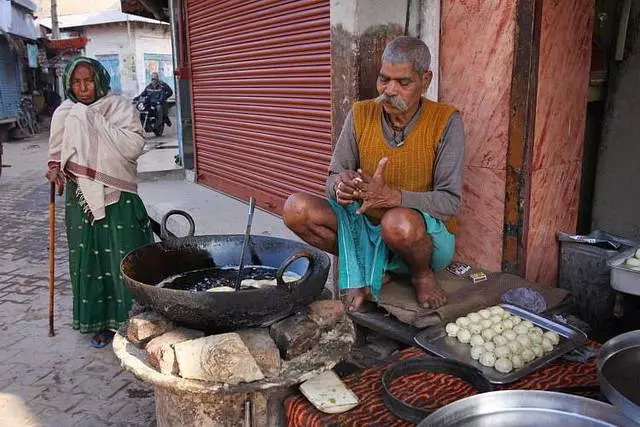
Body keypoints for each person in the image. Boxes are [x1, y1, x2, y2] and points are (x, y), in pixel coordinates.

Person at [283, 37, 464, 312]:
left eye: (403, 83)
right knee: (296, 209)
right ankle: (369, 266)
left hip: (418, 235)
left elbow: (450, 202)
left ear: (425, 81)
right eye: (384, 79)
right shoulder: (361, 113)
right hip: (365, 224)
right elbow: (332, 178)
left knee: (397, 221)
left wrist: (393, 197)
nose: (389, 90)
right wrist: (340, 187)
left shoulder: (446, 121)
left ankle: (421, 274)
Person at [45, 57, 154, 348]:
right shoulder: (65, 113)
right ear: (69, 84)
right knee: (90, 258)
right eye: (76, 83)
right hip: (79, 197)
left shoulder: (119, 107)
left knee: (124, 254)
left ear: (100, 80)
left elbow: (133, 146)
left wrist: (93, 120)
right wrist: (54, 170)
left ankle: (136, 319)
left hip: (117, 192)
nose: (83, 88)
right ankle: (103, 323)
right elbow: (56, 152)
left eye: (88, 81)